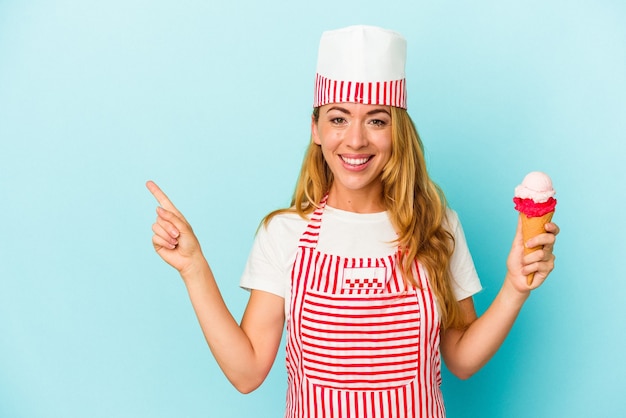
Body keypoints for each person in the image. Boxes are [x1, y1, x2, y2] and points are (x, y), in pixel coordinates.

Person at [147, 25, 558, 418]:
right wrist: (194, 267)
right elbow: (247, 371)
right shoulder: (284, 234)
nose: (356, 139)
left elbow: (462, 360)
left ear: (397, 131)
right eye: (338, 118)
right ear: (316, 129)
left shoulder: (437, 226)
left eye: (376, 120)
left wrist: (515, 288)